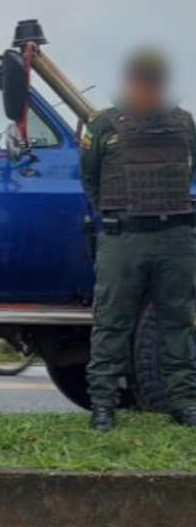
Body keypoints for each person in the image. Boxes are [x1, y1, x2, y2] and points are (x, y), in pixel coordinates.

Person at [81, 48, 196, 431]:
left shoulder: (184, 123)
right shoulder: (105, 126)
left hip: (174, 236)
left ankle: (183, 402)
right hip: (124, 237)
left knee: (176, 322)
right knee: (112, 322)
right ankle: (102, 406)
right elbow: (91, 179)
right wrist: (117, 213)